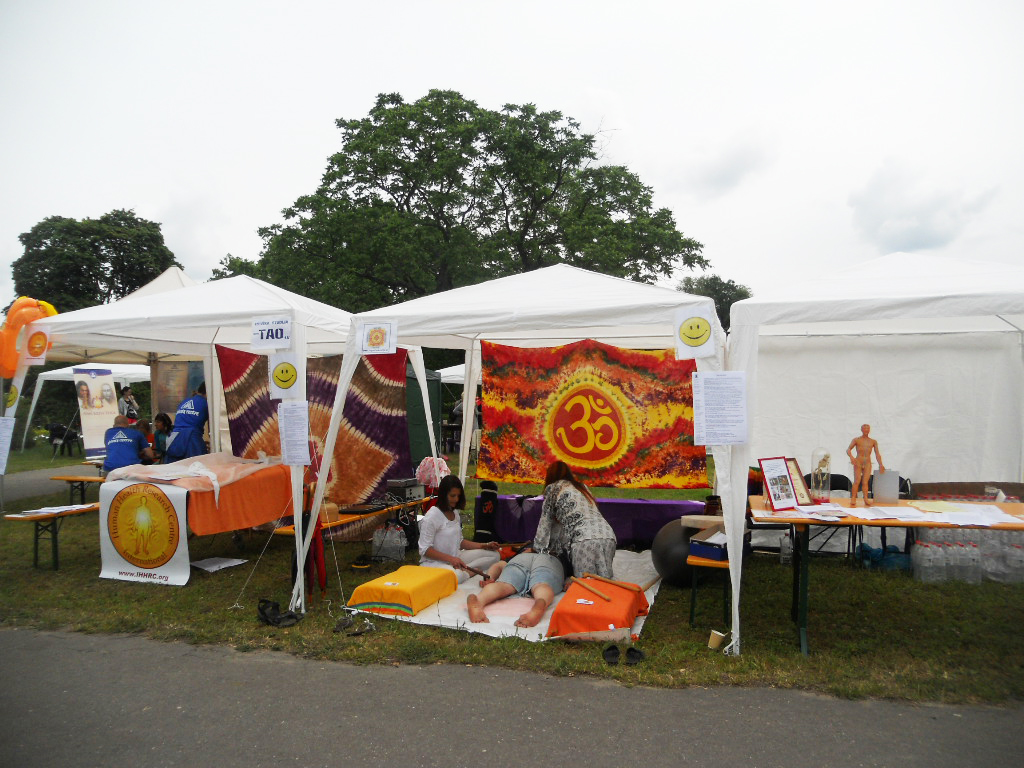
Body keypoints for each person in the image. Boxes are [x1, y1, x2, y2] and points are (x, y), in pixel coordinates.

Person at [535, 460, 616, 579]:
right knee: (604, 583)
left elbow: (545, 523)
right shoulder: (582, 487)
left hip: (584, 540)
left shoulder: (552, 489)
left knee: (585, 589)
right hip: (608, 535)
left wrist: (538, 548)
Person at [419, 474, 500, 583]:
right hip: (434, 563)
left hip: (456, 557)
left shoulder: (454, 512)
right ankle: (466, 573)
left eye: (458, 496)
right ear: (443, 495)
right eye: (453, 496)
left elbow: (460, 541)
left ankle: (463, 568)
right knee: (454, 576)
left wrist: (485, 545)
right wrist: (451, 559)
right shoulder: (431, 517)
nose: (456, 499)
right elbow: (424, 550)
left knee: (494, 555)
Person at [467, 550, 564, 628]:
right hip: (550, 560)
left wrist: (490, 577)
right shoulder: (563, 548)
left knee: (504, 584)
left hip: (521, 559)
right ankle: (541, 601)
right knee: (541, 585)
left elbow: (499, 564)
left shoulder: (525, 549)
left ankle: (479, 600)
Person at [164, 382, 209, 462]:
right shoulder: (206, 403)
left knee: (175, 470)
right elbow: (212, 430)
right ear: (208, 393)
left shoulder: (185, 401)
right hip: (191, 440)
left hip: (174, 440)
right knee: (197, 469)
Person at [847, 423, 885, 507]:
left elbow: (877, 454)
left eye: (868, 429)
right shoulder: (856, 440)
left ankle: (866, 498)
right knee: (857, 480)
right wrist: (852, 458)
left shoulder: (873, 441)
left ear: (869, 430)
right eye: (864, 429)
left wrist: (881, 464)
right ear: (861, 430)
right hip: (858, 461)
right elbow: (848, 449)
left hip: (868, 462)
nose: (866, 430)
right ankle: (853, 497)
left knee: (865, 482)